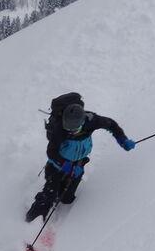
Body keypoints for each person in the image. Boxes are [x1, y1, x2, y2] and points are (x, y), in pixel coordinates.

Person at [26, 92, 136, 222]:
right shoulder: (59, 129)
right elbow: (52, 152)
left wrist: (123, 140)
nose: (70, 131)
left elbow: (111, 124)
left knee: (67, 198)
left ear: (82, 121)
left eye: (74, 129)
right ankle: (31, 221)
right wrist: (67, 167)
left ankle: (62, 195)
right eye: (68, 128)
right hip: (58, 164)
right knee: (50, 193)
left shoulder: (91, 120)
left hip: (79, 162)